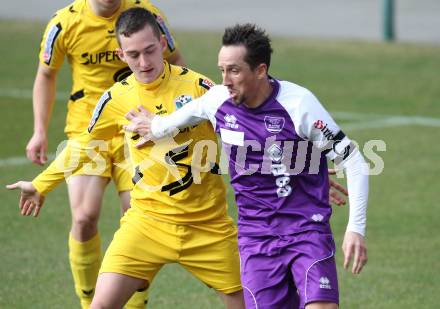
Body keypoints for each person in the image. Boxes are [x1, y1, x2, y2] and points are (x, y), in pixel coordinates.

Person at [7, 8, 244, 309]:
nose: (143, 63)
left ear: (162, 43)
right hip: (146, 225)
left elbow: (246, 131)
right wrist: (41, 185)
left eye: (149, 51)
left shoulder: (199, 89)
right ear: (121, 54)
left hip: (208, 228)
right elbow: (82, 146)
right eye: (133, 54)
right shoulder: (115, 99)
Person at [122, 24, 369, 309]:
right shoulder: (217, 101)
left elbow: (354, 160)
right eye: (221, 70)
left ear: (260, 70)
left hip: (305, 232)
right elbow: (169, 123)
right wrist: (151, 125)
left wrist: (355, 228)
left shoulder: (298, 104)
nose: (225, 80)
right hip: (256, 239)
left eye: (234, 71)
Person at [23, 0, 184, 307]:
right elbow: (46, 75)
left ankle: (136, 304)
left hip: (137, 129)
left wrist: (175, 116)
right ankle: (88, 301)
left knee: (136, 219)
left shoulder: (146, 14)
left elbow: (175, 61)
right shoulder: (64, 24)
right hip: (89, 131)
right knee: (84, 217)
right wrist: (39, 130)